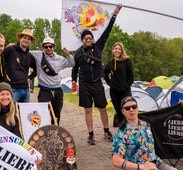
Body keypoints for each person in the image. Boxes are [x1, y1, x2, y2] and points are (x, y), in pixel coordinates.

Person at [71, 5, 122, 145]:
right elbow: (75, 69)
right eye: (85, 39)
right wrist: (73, 82)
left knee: (102, 108)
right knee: (88, 110)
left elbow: (107, 30)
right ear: (82, 40)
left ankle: (106, 131)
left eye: (90, 38)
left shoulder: (98, 47)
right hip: (85, 84)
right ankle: (91, 134)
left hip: (97, 83)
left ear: (93, 39)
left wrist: (114, 15)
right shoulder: (79, 53)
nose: (88, 40)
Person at [111, 96, 183, 170]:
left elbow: (162, 116)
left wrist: (177, 108)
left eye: (134, 106)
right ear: (123, 111)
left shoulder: (146, 123)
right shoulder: (121, 134)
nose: (131, 109)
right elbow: (116, 161)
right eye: (127, 108)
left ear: (137, 108)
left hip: (156, 162)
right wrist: (141, 167)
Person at [30, 37, 74, 125]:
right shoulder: (38, 55)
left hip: (57, 90)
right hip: (44, 90)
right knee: (42, 113)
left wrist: (68, 54)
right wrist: (14, 46)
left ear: (54, 47)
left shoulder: (60, 58)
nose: (48, 48)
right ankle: (43, 130)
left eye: (50, 46)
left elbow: (72, 64)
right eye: (46, 47)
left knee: (57, 113)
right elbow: (24, 50)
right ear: (43, 47)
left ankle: (55, 130)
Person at [104, 42, 134, 127]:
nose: (117, 50)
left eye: (119, 49)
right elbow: (105, 75)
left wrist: (126, 85)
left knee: (128, 111)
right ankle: (122, 132)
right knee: (119, 112)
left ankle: (131, 131)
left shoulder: (127, 61)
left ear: (122, 50)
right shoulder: (110, 63)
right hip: (114, 91)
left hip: (125, 91)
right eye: (115, 49)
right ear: (113, 50)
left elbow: (131, 76)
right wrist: (110, 83)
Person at [3, 29, 37, 103]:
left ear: (30, 42)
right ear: (20, 38)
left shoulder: (30, 56)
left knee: (24, 113)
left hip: (25, 90)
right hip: (12, 88)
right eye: (24, 38)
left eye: (29, 39)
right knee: (10, 112)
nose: (26, 40)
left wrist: (29, 77)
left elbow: (36, 70)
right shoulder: (10, 49)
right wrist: (4, 74)